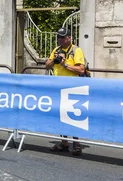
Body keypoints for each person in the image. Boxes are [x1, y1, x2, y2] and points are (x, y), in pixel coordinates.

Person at [45, 27, 87, 156]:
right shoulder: (56, 50)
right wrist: (54, 60)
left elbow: (81, 70)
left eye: (62, 37)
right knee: (60, 115)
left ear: (69, 38)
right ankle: (64, 142)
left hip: (72, 88)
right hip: (58, 87)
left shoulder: (76, 50)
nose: (59, 39)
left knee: (73, 116)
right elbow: (47, 65)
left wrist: (65, 65)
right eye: (58, 37)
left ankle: (76, 143)